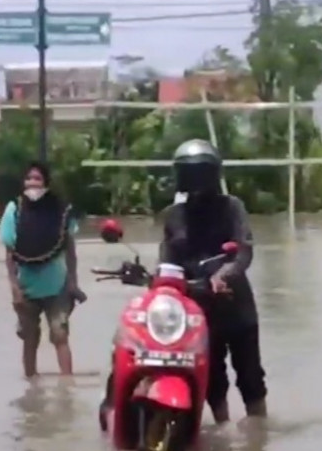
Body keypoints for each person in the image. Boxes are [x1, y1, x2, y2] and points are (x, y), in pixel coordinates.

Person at [99, 140, 266, 425]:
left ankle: (258, 437)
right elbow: (168, 262)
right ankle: (222, 429)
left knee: (250, 377)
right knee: (212, 379)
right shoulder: (174, 216)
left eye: (201, 172)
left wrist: (222, 275)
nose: (196, 180)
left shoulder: (232, 207)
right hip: (195, 308)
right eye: (190, 173)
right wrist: (147, 277)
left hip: (234, 304)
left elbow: (244, 250)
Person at [0, 161, 85, 378]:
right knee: (29, 339)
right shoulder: (14, 210)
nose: (32, 183)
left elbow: (70, 250)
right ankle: (31, 384)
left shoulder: (60, 210)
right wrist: (14, 289)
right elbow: (9, 255)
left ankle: (67, 386)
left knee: (60, 336)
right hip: (27, 288)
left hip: (57, 286)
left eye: (37, 178)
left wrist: (73, 282)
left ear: (46, 182)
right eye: (28, 178)